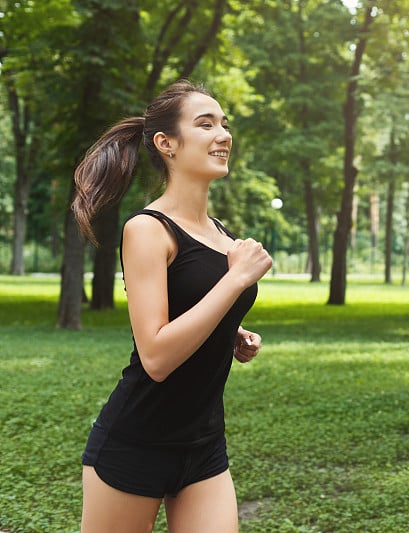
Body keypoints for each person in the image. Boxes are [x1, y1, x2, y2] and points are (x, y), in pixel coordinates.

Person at [72, 79, 272, 533]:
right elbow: (157, 357)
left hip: (203, 445)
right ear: (166, 143)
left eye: (225, 124)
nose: (223, 134)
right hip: (135, 441)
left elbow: (193, 307)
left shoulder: (220, 234)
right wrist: (236, 277)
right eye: (205, 124)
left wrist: (231, 334)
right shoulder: (147, 229)